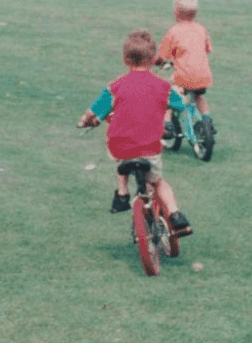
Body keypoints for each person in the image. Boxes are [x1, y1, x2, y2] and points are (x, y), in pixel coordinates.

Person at [77, 29, 193, 236]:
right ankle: (176, 215)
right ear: (153, 58)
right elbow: (180, 106)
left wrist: (85, 121)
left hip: (120, 146)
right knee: (157, 181)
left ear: (125, 59)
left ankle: (122, 194)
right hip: (149, 147)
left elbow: (92, 111)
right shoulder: (163, 86)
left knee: (121, 161)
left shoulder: (115, 86)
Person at [158, 0, 216, 138]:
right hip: (204, 77)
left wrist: (160, 62)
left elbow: (162, 55)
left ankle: (168, 125)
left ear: (176, 13)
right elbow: (208, 49)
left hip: (184, 77)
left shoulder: (174, 32)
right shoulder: (201, 29)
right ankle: (208, 121)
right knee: (199, 97)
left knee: (170, 96)